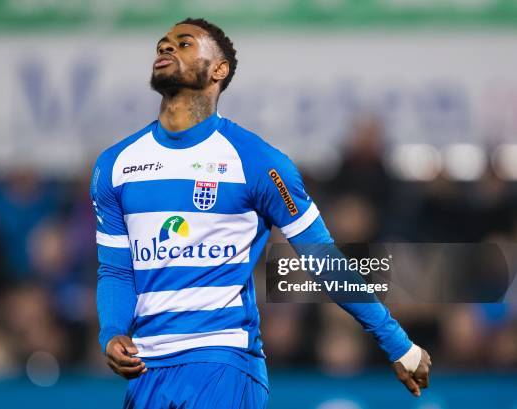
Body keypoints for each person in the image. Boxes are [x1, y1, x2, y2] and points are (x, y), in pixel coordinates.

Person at [91, 17, 431, 409]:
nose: (166, 48)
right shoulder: (115, 165)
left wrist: (397, 343)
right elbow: (116, 270)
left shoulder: (257, 162)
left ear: (219, 70)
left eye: (184, 44)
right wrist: (112, 331)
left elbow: (324, 260)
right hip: (147, 372)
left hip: (223, 362)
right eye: (162, 43)